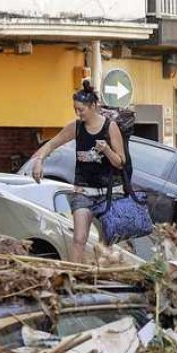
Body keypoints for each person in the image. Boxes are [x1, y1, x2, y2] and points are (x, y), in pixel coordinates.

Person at [30, 80, 126, 263]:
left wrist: (106, 150)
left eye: (81, 109)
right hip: (83, 191)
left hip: (108, 193)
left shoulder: (109, 127)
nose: (78, 113)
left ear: (93, 106)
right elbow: (51, 143)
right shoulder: (76, 127)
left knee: (106, 244)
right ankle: (76, 277)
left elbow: (121, 162)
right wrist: (39, 161)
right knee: (79, 238)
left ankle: (102, 280)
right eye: (75, 110)